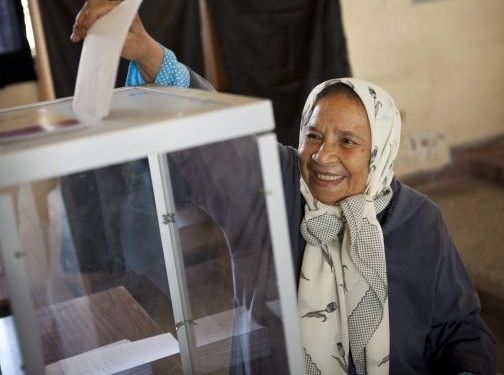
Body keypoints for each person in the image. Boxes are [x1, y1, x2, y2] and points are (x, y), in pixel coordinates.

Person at [71, 3, 496, 374]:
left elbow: (459, 328)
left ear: (378, 153)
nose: (322, 156)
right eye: (313, 135)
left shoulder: (419, 220)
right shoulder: (274, 189)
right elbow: (216, 140)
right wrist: (149, 55)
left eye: (347, 142)